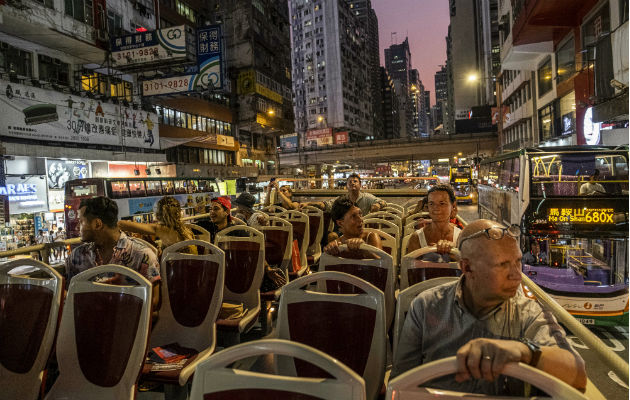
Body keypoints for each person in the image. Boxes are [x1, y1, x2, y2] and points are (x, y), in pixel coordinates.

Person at [391, 219, 586, 395]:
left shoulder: (530, 314)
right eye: (502, 265)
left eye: (518, 262)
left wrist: (525, 351)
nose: (517, 275)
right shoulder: (426, 306)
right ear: (467, 268)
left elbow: (577, 374)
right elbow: (401, 382)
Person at [65, 196, 161, 309]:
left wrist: (116, 296)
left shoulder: (142, 255)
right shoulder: (77, 256)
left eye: (81, 222)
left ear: (97, 224)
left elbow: (153, 301)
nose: (77, 227)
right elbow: (69, 293)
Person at [118, 196, 195, 255]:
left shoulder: (160, 229)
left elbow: (122, 224)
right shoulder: (185, 229)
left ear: (159, 214)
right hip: (195, 268)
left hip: (177, 271)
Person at [406, 185, 461, 262]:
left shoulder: (460, 237)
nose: (436, 208)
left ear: (453, 206)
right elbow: (409, 270)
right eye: (431, 204)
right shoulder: (417, 238)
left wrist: (453, 254)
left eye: (442, 203)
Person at [301, 173, 387, 217]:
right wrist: (308, 204)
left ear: (360, 185)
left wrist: (378, 205)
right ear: (346, 186)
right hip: (346, 230)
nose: (352, 183)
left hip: (362, 228)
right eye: (350, 182)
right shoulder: (341, 200)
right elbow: (325, 205)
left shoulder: (367, 197)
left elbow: (383, 202)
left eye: (355, 181)